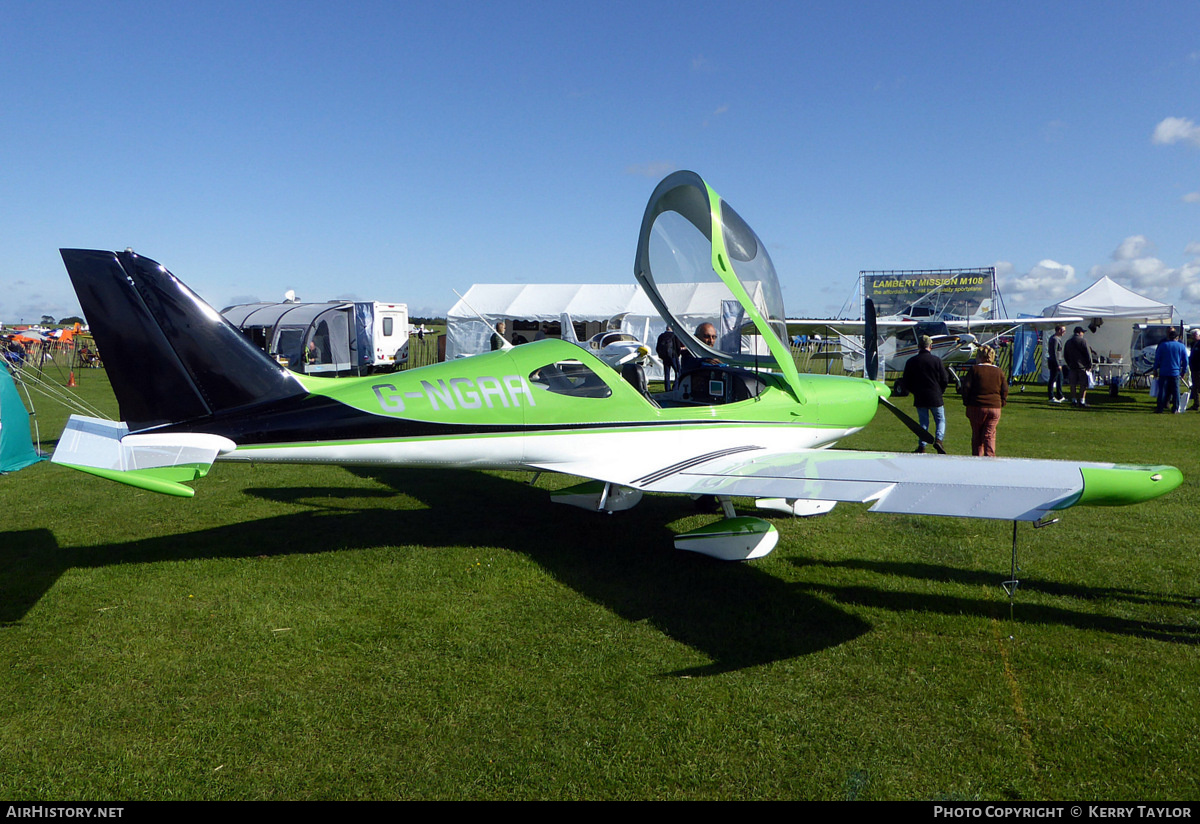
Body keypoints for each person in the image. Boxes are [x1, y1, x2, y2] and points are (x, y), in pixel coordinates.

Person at [901, 334, 950, 453]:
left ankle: (922, 446)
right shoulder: (937, 361)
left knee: (923, 422)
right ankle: (939, 440)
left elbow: (906, 381)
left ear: (918, 346)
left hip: (920, 396)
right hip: (935, 395)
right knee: (940, 420)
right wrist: (940, 391)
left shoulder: (911, 361)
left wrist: (914, 391)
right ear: (930, 346)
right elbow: (944, 379)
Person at [961, 344, 1008, 457]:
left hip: (976, 405)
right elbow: (1005, 389)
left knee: (977, 435)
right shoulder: (999, 371)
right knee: (989, 434)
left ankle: (977, 457)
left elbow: (966, 387)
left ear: (980, 357)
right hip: (994, 406)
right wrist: (1002, 401)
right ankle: (990, 456)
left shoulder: (975, 369)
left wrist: (966, 401)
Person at [1153, 327, 1189, 414]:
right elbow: (1185, 360)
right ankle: (1175, 408)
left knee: (1162, 391)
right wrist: (1183, 371)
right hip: (1175, 372)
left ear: (1168, 336)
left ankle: (1160, 408)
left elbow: (1157, 359)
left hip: (1164, 371)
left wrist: (1155, 369)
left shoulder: (1162, 345)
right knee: (1176, 391)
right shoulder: (1181, 346)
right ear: (1176, 338)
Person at [1062, 326, 1093, 407]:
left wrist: (1069, 364)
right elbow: (1088, 354)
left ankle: (1074, 400)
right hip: (1082, 367)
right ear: (1079, 333)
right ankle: (1082, 401)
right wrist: (1089, 364)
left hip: (1072, 366)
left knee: (1073, 384)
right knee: (1083, 384)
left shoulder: (1068, 342)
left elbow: (1065, 355)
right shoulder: (1083, 341)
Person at [1046, 325, 1066, 403]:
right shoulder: (1054, 339)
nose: (1064, 333)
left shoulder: (1057, 339)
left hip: (1058, 361)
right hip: (1055, 362)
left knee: (1060, 378)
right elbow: (1054, 353)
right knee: (1053, 379)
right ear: (1058, 330)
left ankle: (1060, 395)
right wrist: (1058, 364)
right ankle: (1051, 396)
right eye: (1063, 331)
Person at [1189, 329, 1200, 411]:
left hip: (1199, 368)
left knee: (1197, 386)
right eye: (1192, 335)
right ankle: (1196, 403)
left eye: (1195, 335)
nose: (1193, 336)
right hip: (1194, 368)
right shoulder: (1192, 344)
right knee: (1195, 386)